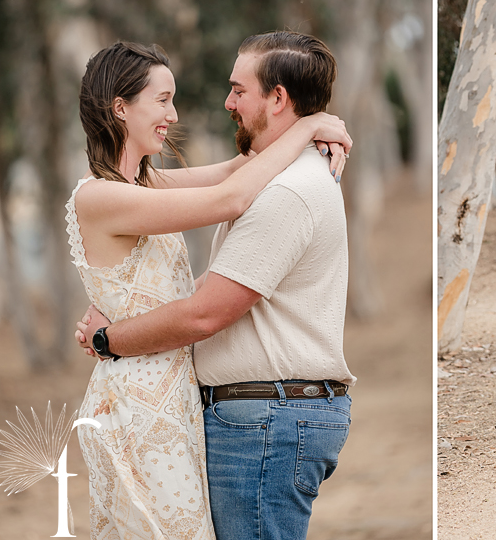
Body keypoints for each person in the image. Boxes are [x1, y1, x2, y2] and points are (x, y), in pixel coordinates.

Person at [77, 31, 355, 540]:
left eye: (238, 90)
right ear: (120, 108)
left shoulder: (147, 186)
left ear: (277, 99)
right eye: (163, 100)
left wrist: (311, 126)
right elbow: (229, 196)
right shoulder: (101, 196)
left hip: (196, 398)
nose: (176, 114)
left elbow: (235, 172)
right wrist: (310, 124)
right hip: (147, 397)